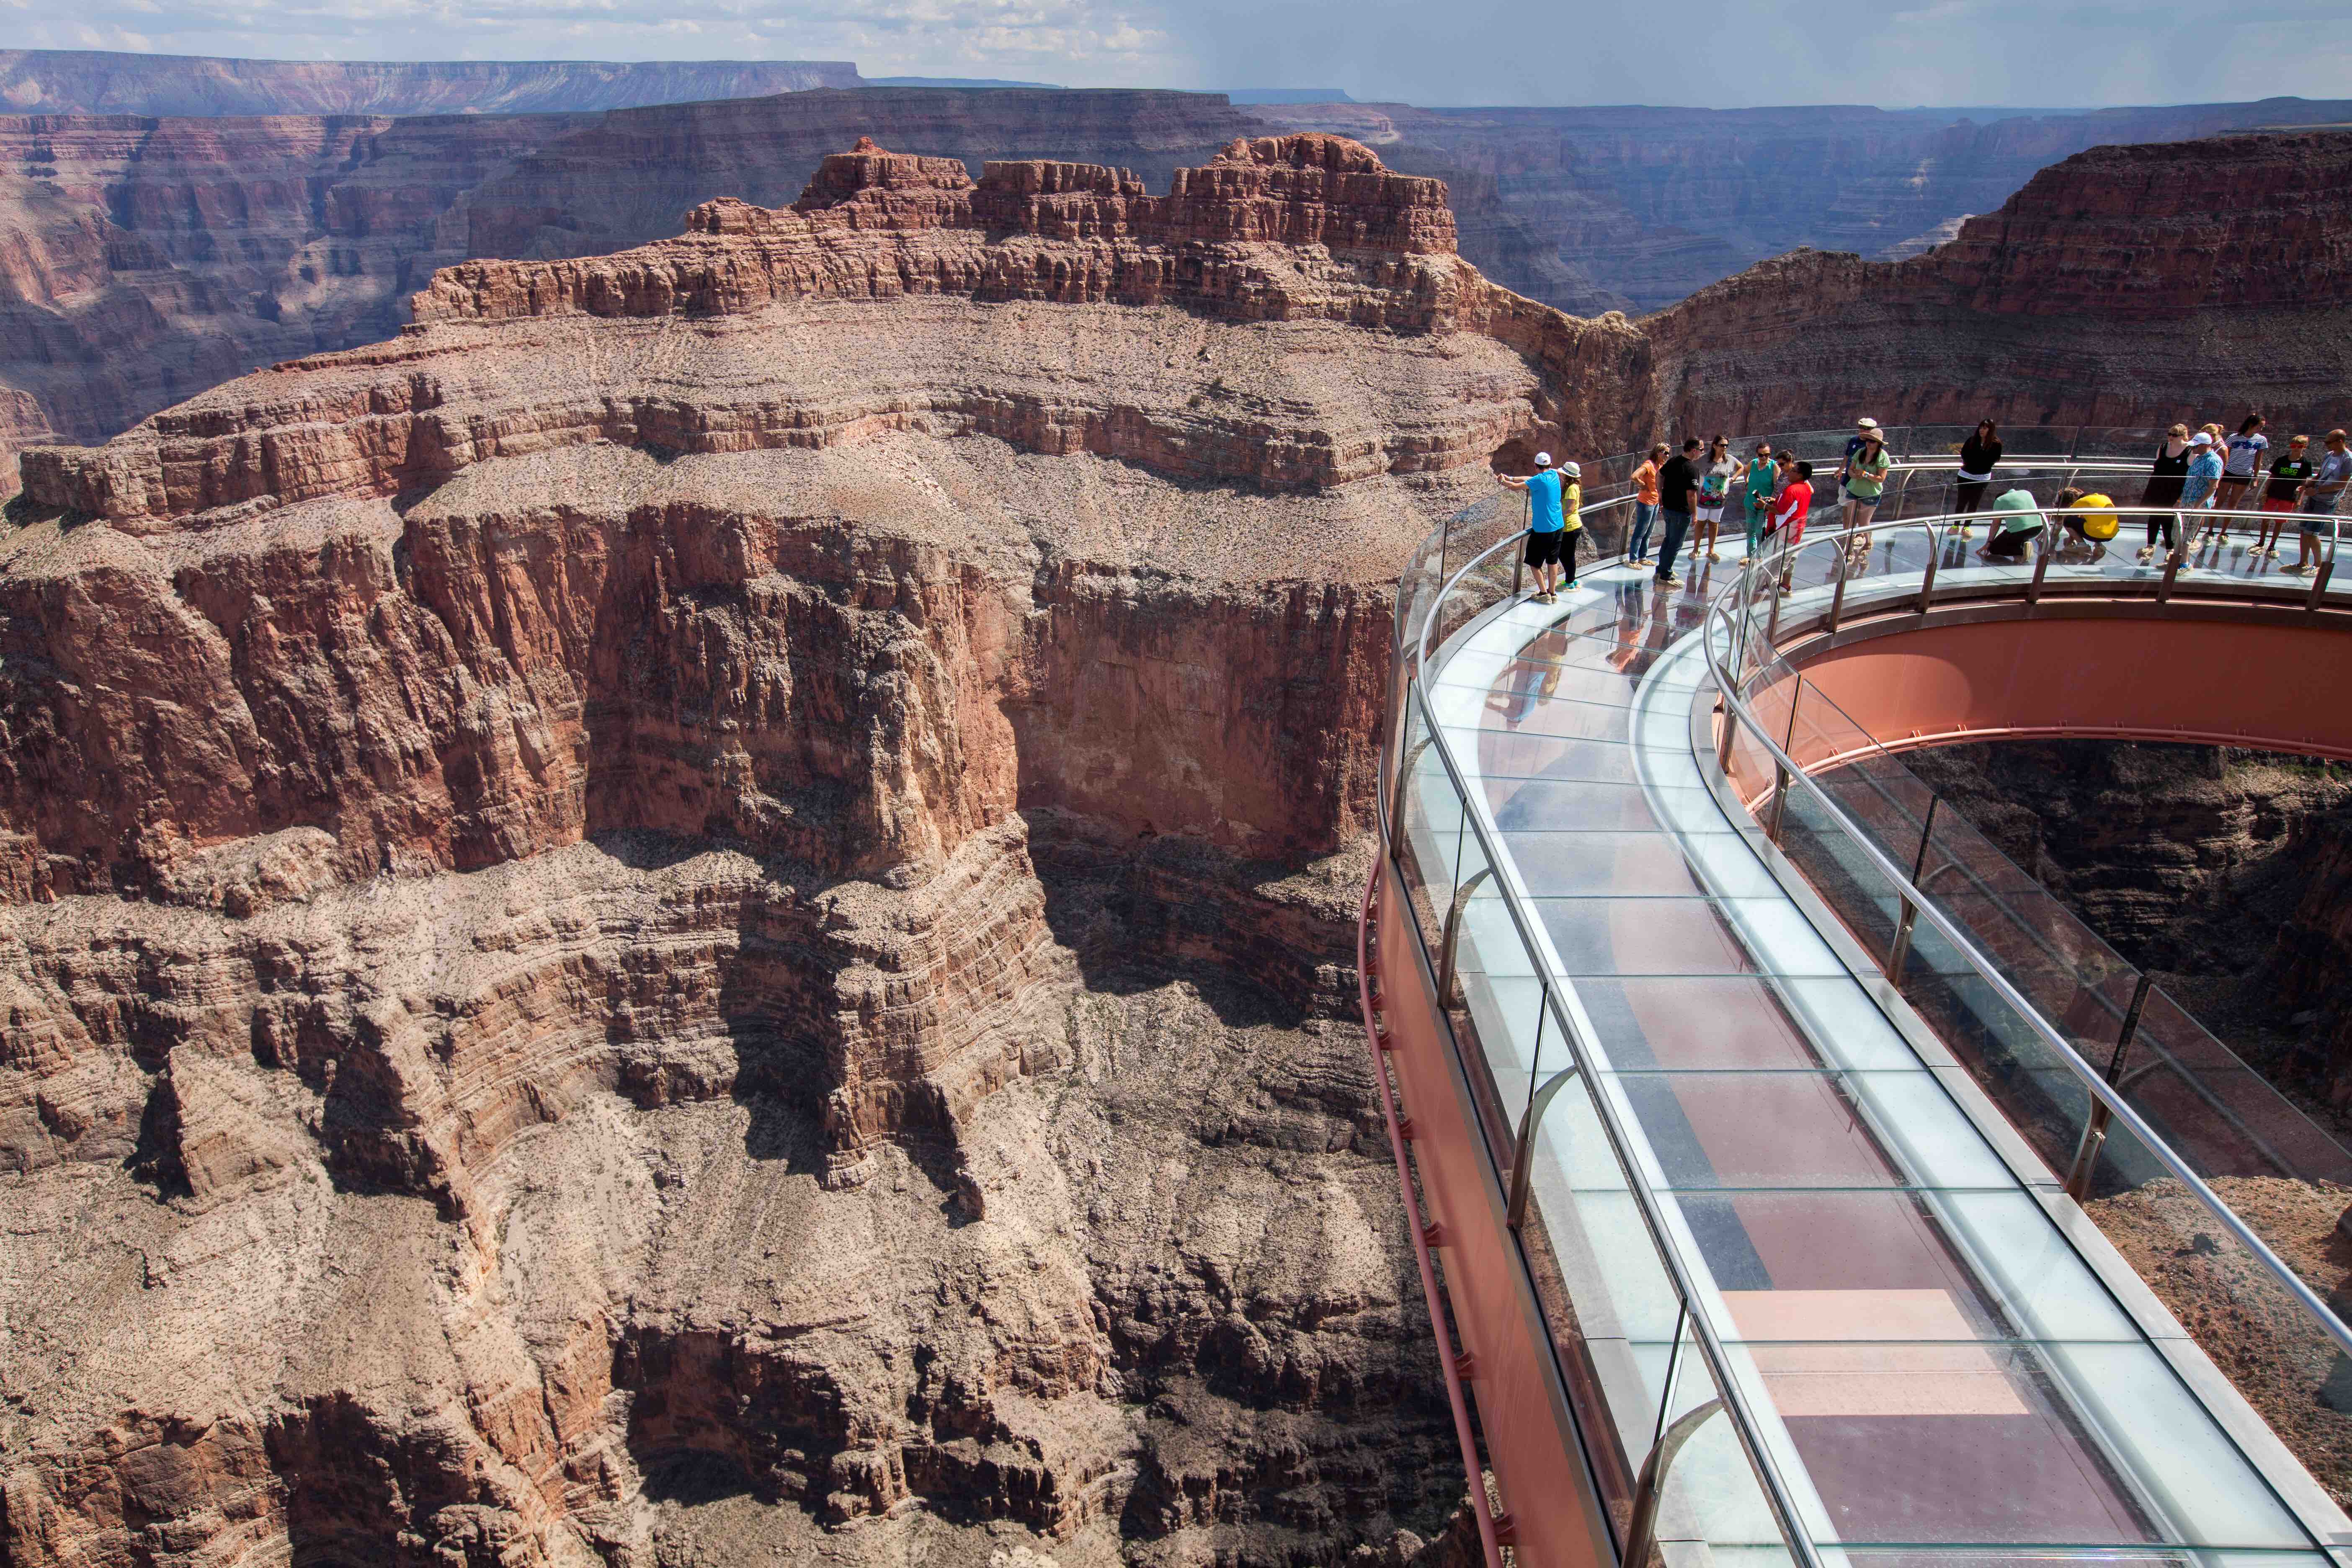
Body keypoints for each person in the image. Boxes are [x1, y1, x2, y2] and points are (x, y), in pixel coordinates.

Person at [1496, 452, 1569, 602]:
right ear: (1550, 466)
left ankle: (1544, 594)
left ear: (1535, 466)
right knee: (1552, 562)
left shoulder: (1539, 480)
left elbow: (1516, 488)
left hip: (1543, 529)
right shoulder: (1554, 475)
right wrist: (1511, 477)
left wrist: (1503, 481)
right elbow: (1530, 480)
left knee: (1534, 563)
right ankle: (1553, 593)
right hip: (1558, 526)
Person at [2285, 428, 2352, 576]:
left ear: (2340, 441)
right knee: (2303, 530)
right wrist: (2307, 485)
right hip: (2314, 497)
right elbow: (2320, 475)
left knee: (2312, 533)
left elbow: (2342, 484)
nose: (2326, 445)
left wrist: (2318, 490)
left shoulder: (2348, 460)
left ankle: (2318, 565)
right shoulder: (2329, 455)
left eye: (2329, 442)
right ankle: (2303, 563)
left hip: (2327, 501)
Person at [2138, 423, 2192, 563]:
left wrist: (2180, 499)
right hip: (2156, 488)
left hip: (2173, 491)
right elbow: (2157, 466)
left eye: (2175, 435)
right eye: (2170, 434)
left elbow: (2190, 475)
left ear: (2183, 436)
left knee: (2167, 519)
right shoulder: (2163, 448)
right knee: (2154, 516)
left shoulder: (2189, 451)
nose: (2171, 437)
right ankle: (2150, 546)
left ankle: (2170, 549)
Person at [1653, 437, 1702, 587]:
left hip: (1668, 508)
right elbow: (1691, 495)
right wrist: (1695, 514)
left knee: (1669, 539)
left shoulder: (1673, 461)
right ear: (1693, 451)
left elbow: (1659, 475)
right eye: (1701, 449)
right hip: (1682, 512)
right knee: (1675, 544)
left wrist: (1660, 494)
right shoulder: (1692, 469)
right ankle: (1666, 576)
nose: (1702, 452)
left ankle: (1661, 570)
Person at [2258, 433, 2314, 558]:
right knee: (2266, 519)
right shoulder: (2281, 460)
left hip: (2289, 496)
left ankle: (2272, 545)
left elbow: (2304, 483)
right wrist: (2265, 492)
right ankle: (2261, 542)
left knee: (2280, 521)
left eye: (2300, 446)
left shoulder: (2305, 463)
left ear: (2304, 447)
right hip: (2273, 493)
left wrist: (2300, 499)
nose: (2296, 448)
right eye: (2294, 446)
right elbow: (2272, 477)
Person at [1840, 424, 1892, 557]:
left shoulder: (1882, 457)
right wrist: (1853, 475)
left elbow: (1881, 478)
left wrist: (1865, 475)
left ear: (1879, 443)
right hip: (1854, 491)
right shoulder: (1861, 452)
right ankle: (1849, 549)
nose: (1869, 443)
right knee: (1851, 520)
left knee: (1864, 523)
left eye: (1872, 441)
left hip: (1870, 494)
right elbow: (1850, 469)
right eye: (1868, 440)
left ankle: (1868, 542)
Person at [1769, 459, 1813, 589]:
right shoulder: (1806, 488)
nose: (1789, 473)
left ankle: (1771, 589)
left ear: (1800, 475)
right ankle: (1786, 585)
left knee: (1779, 561)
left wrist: (1765, 505)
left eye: (1793, 471)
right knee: (1792, 556)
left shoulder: (1792, 490)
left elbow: (1780, 510)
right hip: (1798, 529)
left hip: (1786, 530)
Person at [2220, 413, 2269, 521]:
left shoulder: (2262, 440)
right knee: (2220, 501)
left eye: (2262, 427)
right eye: (2259, 426)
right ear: (2251, 424)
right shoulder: (2233, 437)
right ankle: (2210, 531)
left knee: (2233, 504)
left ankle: (2223, 533)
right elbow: (2225, 456)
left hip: (2245, 474)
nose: (2261, 429)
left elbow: (2258, 460)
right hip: (2229, 472)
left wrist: (2256, 478)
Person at [1735, 440, 1777, 562]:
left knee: (1760, 532)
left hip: (1763, 506)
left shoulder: (1773, 466)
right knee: (1750, 531)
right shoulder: (1753, 463)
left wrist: (1770, 504)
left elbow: (1777, 486)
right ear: (1757, 454)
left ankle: (1760, 557)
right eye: (1761, 455)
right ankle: (1751, 556)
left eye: (1767, 455)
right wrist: (1746, 482)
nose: (1764, 457)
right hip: (1750, 503)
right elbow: (1745, 470)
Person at [1695, 435, 1734, 562]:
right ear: (1715, 446)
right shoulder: (1704, 459)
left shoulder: (1729, 460)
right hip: (1703, 498)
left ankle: (1711, 551)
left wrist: (1732, 479)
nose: (1724, 448)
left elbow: (1741, 468)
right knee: (1701, 523)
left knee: (1714, 524)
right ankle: (1696, 550)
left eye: (1726, 446)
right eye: (1722, 445)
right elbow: (1691, 466)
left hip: (1719, 499)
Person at [2052, 487, 2117, 561]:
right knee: (2092, 522)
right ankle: (2099, 546)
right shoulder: (2103, 498)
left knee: (2068, 520)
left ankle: (2082, 546)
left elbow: (2064, 516)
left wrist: (2055, 532)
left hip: (2096, 535)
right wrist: (2070, 539)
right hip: (2111, 535)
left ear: (2071, 502)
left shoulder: (2081, 502)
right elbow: (2080, 522)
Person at [1979, 488, 2045, 561]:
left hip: (2020, 531)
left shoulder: (1999, 501)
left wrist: (1989, 543)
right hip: (2038, 528)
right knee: (2017, 535)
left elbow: (1996, 525)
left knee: (1994, 548)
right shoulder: (2026, 493)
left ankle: (2020, 553)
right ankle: (2025, 544)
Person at [1629, 443, 1667, 564]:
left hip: (1655, 503)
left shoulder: (1661, 466)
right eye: (1665, 453)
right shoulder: (1649, 465)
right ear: (1658, 452)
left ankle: (1643, 558)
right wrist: (1643, 486)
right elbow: (1634, 476)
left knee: (1649, 532)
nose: (1667, 455)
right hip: (1646, 504)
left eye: (1668, 453)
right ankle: (1633, 560)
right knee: (1640, 532)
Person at [2193, 423, 2231, 543]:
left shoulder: (2222, 449)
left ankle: (2193, 538)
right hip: (2198, 482)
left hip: (2209, 484)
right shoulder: (2204, 446)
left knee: (2201, 510)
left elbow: (2222, 469)